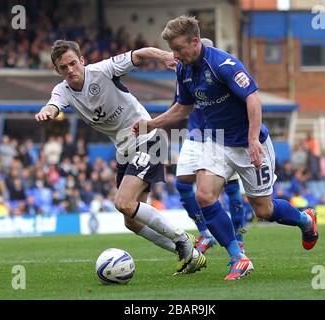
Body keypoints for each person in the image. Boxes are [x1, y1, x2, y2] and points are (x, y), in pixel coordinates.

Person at [133, 16, 319, 280]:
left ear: (195, 42)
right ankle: (238, 258)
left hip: (248, 144)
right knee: (205, 196)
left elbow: (253, 99)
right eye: (171, 49)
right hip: (217, 142)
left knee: (264, 210)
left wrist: (253, 139)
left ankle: (305, 219)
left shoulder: (223, 64)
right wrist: (153, 123)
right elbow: (183, 107)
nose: (173, 55)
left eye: (178, 48)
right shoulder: (184, 70)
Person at [34, 39, 205, 274]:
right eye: (63, 67)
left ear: (82, 60)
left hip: (148, 140)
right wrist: (47, 111)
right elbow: (53, 104)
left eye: (73, 63)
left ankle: (182, 239)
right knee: (131, 220)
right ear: (57, 70)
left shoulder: (104, 70)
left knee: (123, 202)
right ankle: (191, 254)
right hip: (125, 150)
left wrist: (164, 56)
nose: (70, 70)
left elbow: (139, 54)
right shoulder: (62, 91)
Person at [174, 38, 246, 254]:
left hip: (223, 136)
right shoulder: (185, 73)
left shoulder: (220, 71)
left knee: (232, 188)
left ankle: (238, 237)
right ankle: (205, 233)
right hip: (196, 135)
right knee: (183, 184)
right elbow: (179, 105)